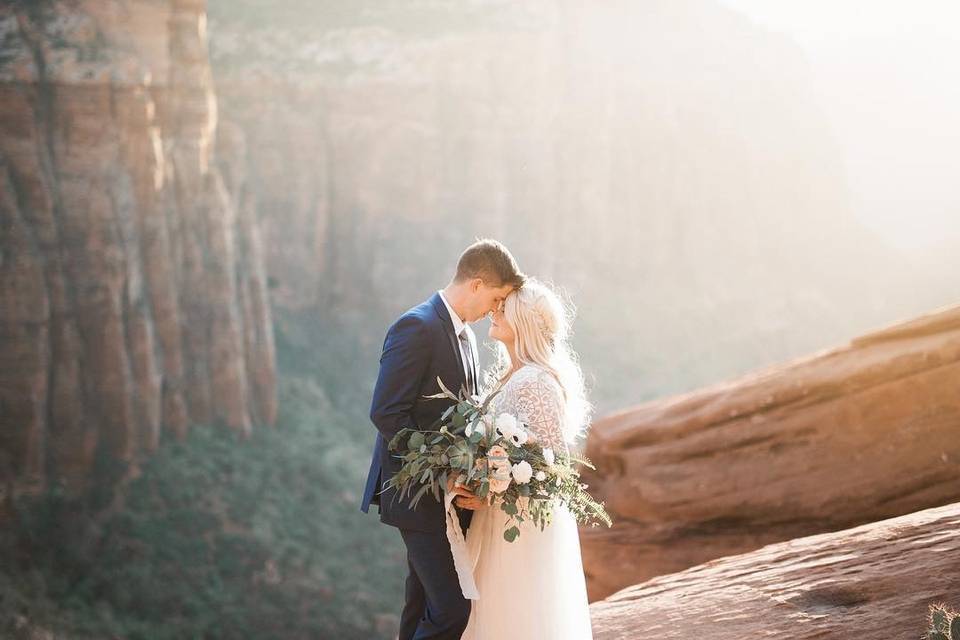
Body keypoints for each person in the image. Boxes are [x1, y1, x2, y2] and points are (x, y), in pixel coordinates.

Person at [361, 238, 526, 640]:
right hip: (416, 493)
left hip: (446, 496)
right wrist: (442, 470)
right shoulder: (415, 326)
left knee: (420, 605)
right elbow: (386, 412)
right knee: (453, 610)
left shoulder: (465, 335)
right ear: (476, 284)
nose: (496, 309)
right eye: (496, 298)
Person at [460, 277, 594, 639]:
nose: (495, 312)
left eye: (505, 309)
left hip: (519, 531)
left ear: (524, 322)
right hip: (494, 521)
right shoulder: (511, 378)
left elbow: (553, 467)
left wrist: (495, 486)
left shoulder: (536, 381)